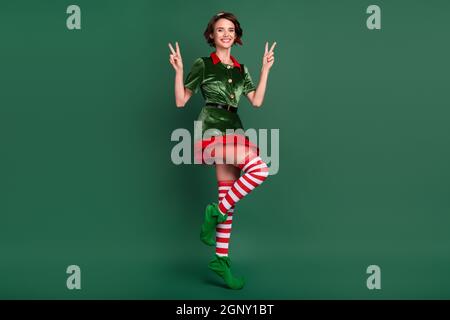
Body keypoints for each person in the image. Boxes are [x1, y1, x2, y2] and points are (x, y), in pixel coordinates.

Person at [168, 12, 276, 290]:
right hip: (212, 128)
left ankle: (220, 260)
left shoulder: (241, 69)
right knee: (260, 169)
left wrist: (265, 70)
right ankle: (215, 212)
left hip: (235, 128)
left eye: (230, 29)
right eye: (220, 30)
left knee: (229, 195)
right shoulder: (203, 64)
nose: (226, 34)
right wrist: (179, 72)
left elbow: (257, 101)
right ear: (212, 36)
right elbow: (181, 102)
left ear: (236, 35)